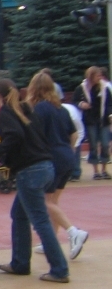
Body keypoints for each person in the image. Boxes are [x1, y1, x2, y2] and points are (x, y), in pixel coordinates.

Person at [0, 79, 69, 283]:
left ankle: (59, 269)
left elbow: (14, 136)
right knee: (19, 214)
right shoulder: (27, 109)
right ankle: (20, 262)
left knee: (40, 220)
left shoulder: (6, 112)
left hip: (29, 170)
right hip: (45, 166)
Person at [27, 72, 88, 259]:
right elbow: (74, 134)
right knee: (53, 202)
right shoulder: (60, 108)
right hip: (66, 156)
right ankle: (50, 241)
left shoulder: (39, 109)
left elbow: (36, 135)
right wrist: (68, 151)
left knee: (46, 202)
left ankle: (73, 232)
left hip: (51, 157)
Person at [73, 66, 111, 179]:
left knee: (105, 144)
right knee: (93, 145)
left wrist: (110, 114)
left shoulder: (105, 88)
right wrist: (81, 104)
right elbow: (75, 100)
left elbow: (110, 103)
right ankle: (96, 171)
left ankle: (104, 169)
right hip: (90, 120)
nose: (100, 78)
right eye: (97, 75)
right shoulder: (82, 88)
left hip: (103, 119)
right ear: (91, 76)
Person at [63, 100, 85, 181]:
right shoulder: (54, 115)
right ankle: (64, 173)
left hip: (76, 131)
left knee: (75, 151)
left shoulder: (74, 117)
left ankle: (75, 173)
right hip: (59, 132)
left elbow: (80, 131)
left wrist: (75, 145)